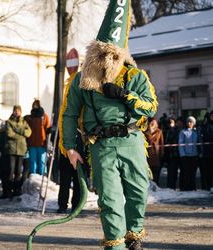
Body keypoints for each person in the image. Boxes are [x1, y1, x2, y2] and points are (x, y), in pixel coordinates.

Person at [59, 1, 158, 249]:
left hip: (132, 141)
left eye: (113, 55)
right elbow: (69, 115)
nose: (107, 60)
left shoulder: (135, 76)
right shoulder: (81, 80)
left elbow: (151, 106)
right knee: (110, 199)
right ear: (93, 53)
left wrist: (125, 96)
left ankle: (134, 235)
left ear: (121, 54)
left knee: (138, 192)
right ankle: (115, 245)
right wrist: (70, 147)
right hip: (101, 145)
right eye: (102, 54)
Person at [3, 105, 31, 197]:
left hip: (21, 149)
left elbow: (28, 133)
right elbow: (9, 133)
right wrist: (21, 135)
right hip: (11, 149)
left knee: (18, 171)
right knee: (11, 170)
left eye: (18, 111)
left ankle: (17, 189)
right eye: (15, 111)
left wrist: (18, 131)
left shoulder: (24, 121)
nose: (17, 112)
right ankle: (8, 190)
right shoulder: (9, 121)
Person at [24, 100, 51, 175]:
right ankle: (34, 178)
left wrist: (48, 141)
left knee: (42, 162)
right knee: (33, 162)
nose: (35, 106)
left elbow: (47, 128)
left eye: (36, 105)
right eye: (34, 105)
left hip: (42, 143)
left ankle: (42, 177)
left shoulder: (44, 116)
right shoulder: (29, 117)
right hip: (32, 144)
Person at [178, 116, 199, 191]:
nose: (189, 123)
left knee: (193, 172)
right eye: (188, 121)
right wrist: (182, 155)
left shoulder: (196, 132)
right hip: (186, 156)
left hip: (194, 155)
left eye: (191, 122)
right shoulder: (183, 132)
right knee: (186, 172)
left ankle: (193, 187)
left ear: (194, 123)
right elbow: (180, 144)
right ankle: (185, 188)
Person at [145, 118, 164, 185]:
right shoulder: (145, 131)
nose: (153, 123)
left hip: (156, 154)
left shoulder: (159, 131)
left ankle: (156, 185)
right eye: (152, 122)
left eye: (154, 122)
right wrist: (149, 130)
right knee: (148, 171)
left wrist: (162, 153)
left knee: (156, 171)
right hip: (148, 154)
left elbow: (162, 143)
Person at [165, 117, 181, 189]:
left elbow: (174, 140)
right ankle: (170, 186)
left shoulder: (176, 130)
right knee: (170, 172)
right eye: (169, 122)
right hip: (168, 154)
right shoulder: (166, 130)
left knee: (174, 171)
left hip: (175, 154)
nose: (170, 123)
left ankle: (173, 186)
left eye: (172, 122)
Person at [200, 111, 213, 190]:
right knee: (209, 171)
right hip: (208, 153)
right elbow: (206, 136)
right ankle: (209, 186)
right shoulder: (207, 125)